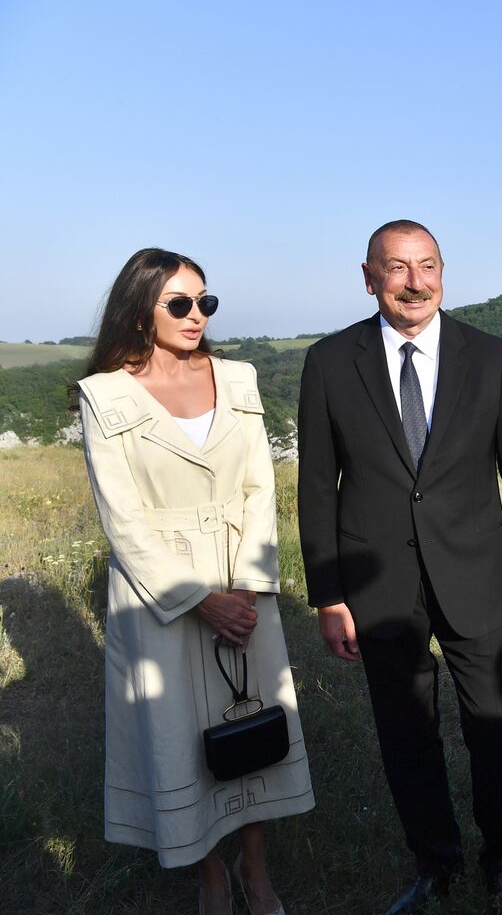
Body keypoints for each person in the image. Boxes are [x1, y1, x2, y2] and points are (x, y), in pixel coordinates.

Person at [297, 220, 502, 915]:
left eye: (428, 265)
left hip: (478, 574)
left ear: (444, 272)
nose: (415, 281)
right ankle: (434, 864)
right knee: (406, 731)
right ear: (369, 276)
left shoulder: (492, 357)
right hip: (376, 580)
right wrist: (328, 595)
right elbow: (317, 487)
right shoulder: (329, 361)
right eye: (398, 268)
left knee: (495, 728)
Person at [76, 248, 314, 915]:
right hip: (162, 593)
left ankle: (256, 869)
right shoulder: (104, 396)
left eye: (204, 302)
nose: (195, 315)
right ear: (140, 309)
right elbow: (120, 516)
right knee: (178, 734)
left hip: (243, 579)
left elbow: (258, 487)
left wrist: (247, 586)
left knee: (255, 719)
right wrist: (197, 599)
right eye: (178, 303)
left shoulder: (236, 379)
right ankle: (209, 871)